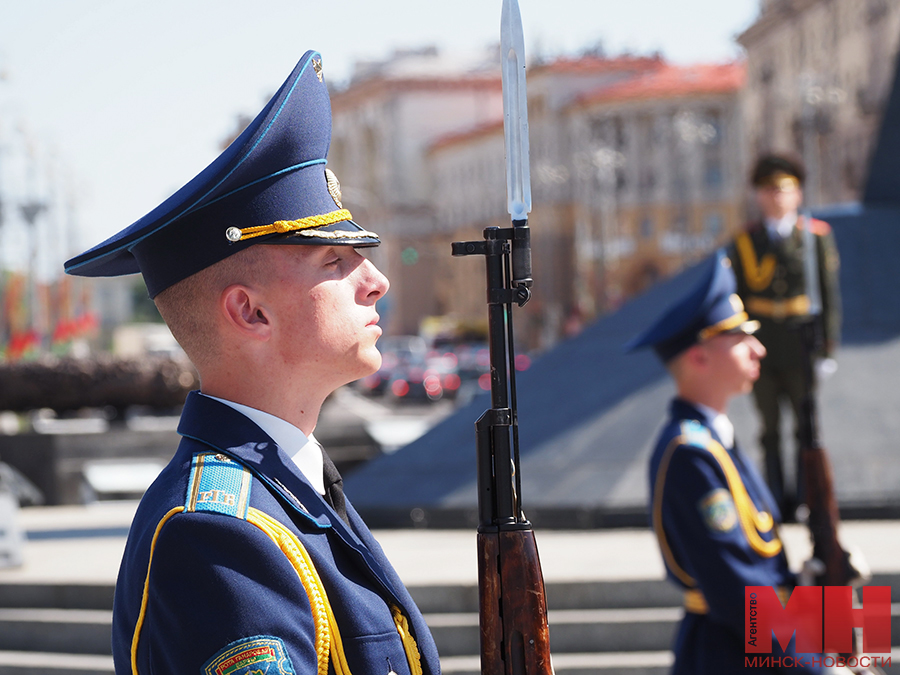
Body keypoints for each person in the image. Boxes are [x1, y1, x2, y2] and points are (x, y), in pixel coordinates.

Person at [65, 51, 440, 675]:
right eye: (334, 262)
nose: (375, 281)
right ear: (250, 312)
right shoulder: (215, 535)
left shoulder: (286, 491)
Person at [628, 251, 836, 674]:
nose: (758, 348)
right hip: (729, 655)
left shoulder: (715, 442)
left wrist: (827, 594)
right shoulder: (691, 454)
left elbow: (765, 569)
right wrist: (820, 668)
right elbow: (736, 592)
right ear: (699, 357)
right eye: (742, 337)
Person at [726, 154, 841, 519]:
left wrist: (827, 348)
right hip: (763, 346)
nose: (776, 197)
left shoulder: (815, 237)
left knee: (805, 427)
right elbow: (738, 297)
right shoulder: (746, 241)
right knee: (769, 428)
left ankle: (809, 500)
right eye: (768, 190)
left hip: (801, 345)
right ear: (759, 195)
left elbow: (828, 295)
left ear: (797, 193)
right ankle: (776, 499)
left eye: (783, 189)